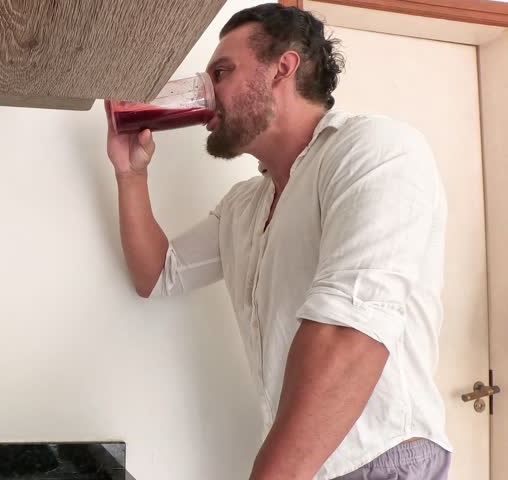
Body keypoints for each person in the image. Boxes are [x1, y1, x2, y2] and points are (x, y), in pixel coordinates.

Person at [104, 4, 453, 480]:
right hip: (308, 468)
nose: (206, 93)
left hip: (379, 460)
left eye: (222, 72)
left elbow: (349, 332)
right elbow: (156, 274)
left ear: (282, 68)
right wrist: (131, 174)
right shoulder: (244, 205)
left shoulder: (375, 149)